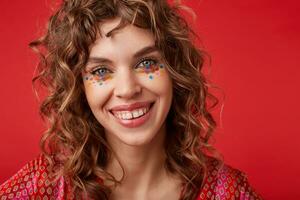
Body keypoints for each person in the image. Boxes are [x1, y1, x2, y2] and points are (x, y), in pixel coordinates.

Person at [0, 0, 262, 199]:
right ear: (79, 87)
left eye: (147, 63)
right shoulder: (40, 186)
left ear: (175, 72)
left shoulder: (228, 192)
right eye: (101, 70)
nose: (127, 89)